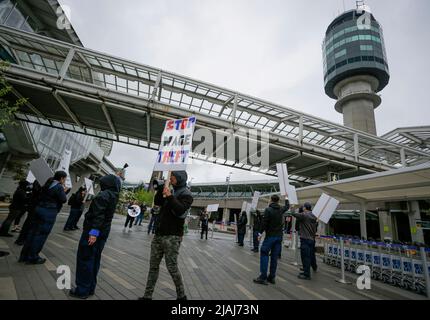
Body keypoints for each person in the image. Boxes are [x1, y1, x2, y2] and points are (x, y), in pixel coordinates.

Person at [139, 171, 193, 300]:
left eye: (173, 176)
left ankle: (181, 296)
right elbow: (158, 202)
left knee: (172, 267)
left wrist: (169, 196)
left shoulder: (186, 194)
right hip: (159, 234)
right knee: (153, 267)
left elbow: (180, 209)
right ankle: (147, 296)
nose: (171, 178)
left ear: (179, 178)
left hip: (173, 236)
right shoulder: (170, 190)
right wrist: (161, 190)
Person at [69, 174, 121, 299]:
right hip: (103, 232)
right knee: (94, 259)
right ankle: (90, 287)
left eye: (102, 183)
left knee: (85, 259)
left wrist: (93, 233)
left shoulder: (103, 195)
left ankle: (82, 290)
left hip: (93, 232)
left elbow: (98, 216)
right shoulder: (114, 195)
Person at [19, 171, 69, 264]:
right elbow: (63, 199)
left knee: (32, 232)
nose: (65, 180)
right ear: (62, 178)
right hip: (48, 212)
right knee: (41, 234)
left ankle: (24, 255)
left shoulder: (47, 183)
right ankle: (33, 257)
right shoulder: (58, 187)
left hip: (38, 209)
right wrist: (64, 190)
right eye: (65, 178)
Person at [253, 195, 289, 285]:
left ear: (271, 200)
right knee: (274, 257)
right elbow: (287, 206)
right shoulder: (281, 209)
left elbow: (264, 223)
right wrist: (286, 198)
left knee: (264, 253)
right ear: (278, 201)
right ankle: (272, 277)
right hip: (279, 237)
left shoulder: (268, 210)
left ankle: (263, 277)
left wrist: (260, 233)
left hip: (270, 237)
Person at [288, 202, 318, 280]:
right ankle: (306, 270)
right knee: (309, 256)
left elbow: (293, 213)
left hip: (305, 239)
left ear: (305, 208)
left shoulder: (304, 215)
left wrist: (292, 206)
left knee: (305, 257)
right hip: (311, 239)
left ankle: (307, 274)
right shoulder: (314, 215)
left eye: (303, 207)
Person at [15, 181, 42, 246]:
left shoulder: (39, 182)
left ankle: (23, 239)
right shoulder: (38, 182)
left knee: (30, 224)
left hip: (35, 206)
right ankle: (21, 239)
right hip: (34, 206)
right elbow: (36, 191)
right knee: (28, 223)